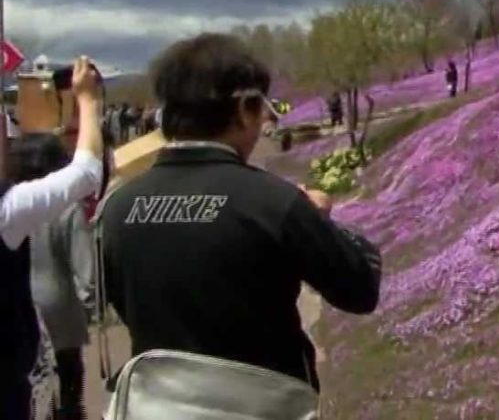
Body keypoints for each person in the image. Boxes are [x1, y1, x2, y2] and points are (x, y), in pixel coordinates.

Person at [99, 33, 381, 395]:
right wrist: (319, 219)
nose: (266, 117)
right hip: (261, 403)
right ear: (245, 107)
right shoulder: (274, 202)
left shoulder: (117, 208)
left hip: (156, 404)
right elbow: (359, 290)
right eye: (263, 105)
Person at [1, 57, 103, 420]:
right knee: (67, 388)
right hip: (45, 326)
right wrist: (89, 101)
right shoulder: (13, 208)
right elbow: (87, 171)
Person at [23, 134, 96, 420]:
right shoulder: (66, 206)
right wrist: (88, 310)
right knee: (68, 383)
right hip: (60, 308)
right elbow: (85, 271)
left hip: (21, 305)